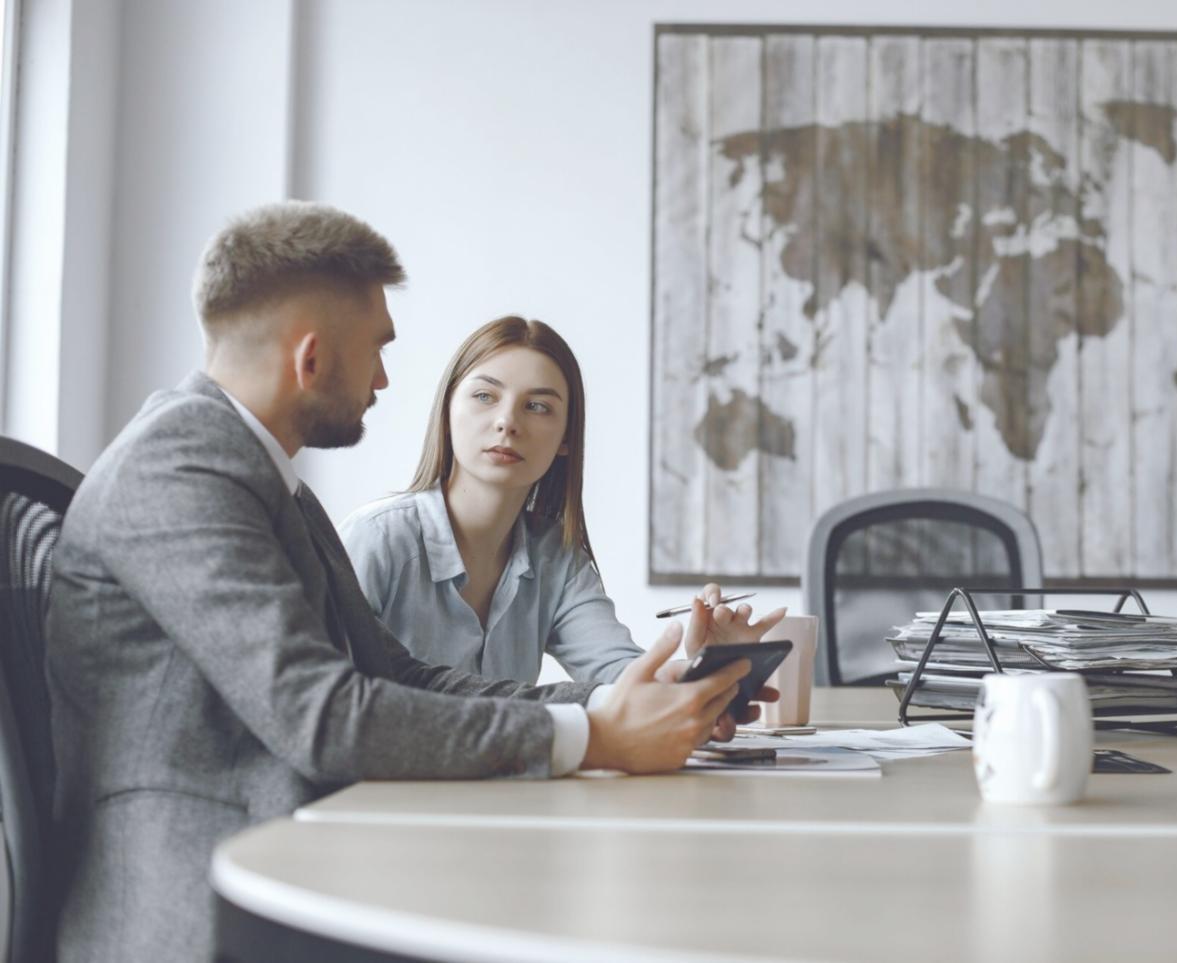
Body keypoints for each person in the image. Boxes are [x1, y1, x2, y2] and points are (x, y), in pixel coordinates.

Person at [44, 201, 762, 962]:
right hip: (206, 901)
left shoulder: (261, 475)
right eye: (377, 349)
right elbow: (322, 715)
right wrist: (591, 737)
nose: (386, 378)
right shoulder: (178, 466)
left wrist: (612, 705)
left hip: (304, 858)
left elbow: (397, 672)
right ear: (312, 357)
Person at [339, 315, 785, 684]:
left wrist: (706, 669)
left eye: (538, 407)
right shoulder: (379, 540)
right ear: (447, 413)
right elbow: (330, 701)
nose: (507, 422)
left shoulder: (555, 556)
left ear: (566, 439)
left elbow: (621, 677)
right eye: (484, 396)